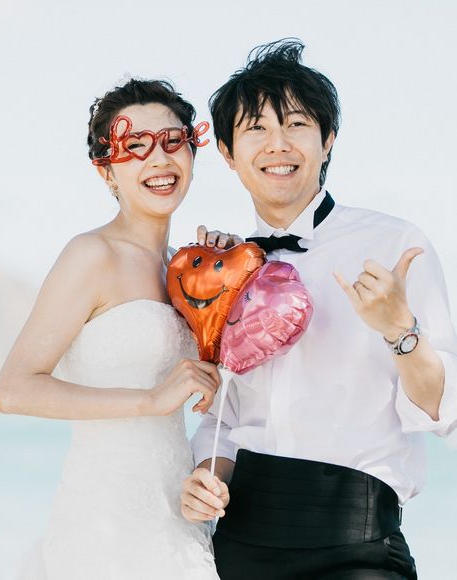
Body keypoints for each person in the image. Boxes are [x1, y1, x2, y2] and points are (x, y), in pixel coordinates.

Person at [181, 39, 457, 579]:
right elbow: (225, 421)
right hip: (242, 541)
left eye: (297, 124)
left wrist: (401, 332)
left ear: (327, 140)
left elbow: (442, 410)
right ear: (229, 154)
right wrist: (205, 480)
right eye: (256, 128)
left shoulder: (394, 245)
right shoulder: (223, 266)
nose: (278, 145)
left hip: (357, 538)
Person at [0, 78, 220, 579]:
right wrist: (150, 400)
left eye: (173, 141)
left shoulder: (185, 267)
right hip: (104, 524)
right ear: (106, 171)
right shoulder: (91, 255)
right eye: (135, 146)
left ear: (191, 151)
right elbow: (13, 390)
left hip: (179, 513)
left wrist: (229, 274)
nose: (159, 159)